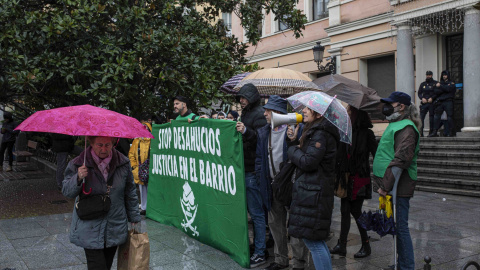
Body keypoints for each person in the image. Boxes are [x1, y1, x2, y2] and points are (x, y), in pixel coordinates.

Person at [62, 136, 141, 270]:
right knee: (97, 266)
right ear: (91, 143)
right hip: (89, 224)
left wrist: (134, 216)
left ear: (113, 144)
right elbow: (67, 191)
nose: (104, 149)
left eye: (107, 145)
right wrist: (78, 178)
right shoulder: (78, 163)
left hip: (114, 223)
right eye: (99, 145)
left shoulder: (123, 162)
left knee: (106, 264)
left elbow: (130, 191)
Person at [256, 96, 308, 270]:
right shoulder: (263, 132)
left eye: (268, 111)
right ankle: (280, 259)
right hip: (272, 185)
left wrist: (294, 139)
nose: (264, 114)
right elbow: (259, 159)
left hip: (291, 187)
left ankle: (299, 263)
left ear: (278, 112)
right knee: (275, 225)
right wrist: (260, 178)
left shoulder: (298, 130)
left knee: (295, 226)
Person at [372, 92, 421, 270]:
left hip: (398, 186)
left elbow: (401, 159)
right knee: (397, 228)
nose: (386, 107)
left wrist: (385, 187)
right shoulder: (397, 124)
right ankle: (401, 264)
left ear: (401, 106)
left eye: (390, 104)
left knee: (401, 228)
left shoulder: (406, 128)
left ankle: (406, 266)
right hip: (393, 185)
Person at [287, 107, 339, 270]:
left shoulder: (321, 133)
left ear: (319, 113)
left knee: (313, 241)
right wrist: (295, 142)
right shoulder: (316, 130)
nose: (303, 110)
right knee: (316, 240)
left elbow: (308, 162)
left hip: (314, 193)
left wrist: (292, 149)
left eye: (308, 108)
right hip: (313, 192)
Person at [330, 107, 377, 258]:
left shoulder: (367, 134)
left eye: (349, 111)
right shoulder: (345, 132)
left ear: (357, 114)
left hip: (359, 178)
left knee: (356, 211)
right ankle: (341, 245)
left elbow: (376, 154)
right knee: (344, 211)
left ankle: (366, 244)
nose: (346, 113)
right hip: (346, 177)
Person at [235, 83, 268, 268]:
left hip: (252, 171)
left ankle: (260, 252)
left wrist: (246, 131)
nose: (241, 100)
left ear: (252, 97)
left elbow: (261, 139)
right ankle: (259, 247)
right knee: (253, 213)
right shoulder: (246, 113)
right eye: (240, 98)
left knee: (257, 214)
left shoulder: (259, 114)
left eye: (244, 97)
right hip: (245, 169)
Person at [128, 115, 152, 215]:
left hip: (151, 169)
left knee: (151, 189)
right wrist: (134, 166)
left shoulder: (153, 140)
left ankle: (150, 207)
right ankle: (144, 207)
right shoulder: (136, 140)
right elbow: (131, 154)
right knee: (142, 189)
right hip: (139, 169)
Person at [428, 70, 456, 137]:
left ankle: (452, 131)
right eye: (443, 75)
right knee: (436, 117)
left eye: (445, 75)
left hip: (448, 101)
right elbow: (436, 91)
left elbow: (449, 89)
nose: (444, 76)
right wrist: (443, 88)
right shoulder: (440, 83)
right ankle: (434, 131)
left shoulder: (451, 83)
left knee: (450, 117)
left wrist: (441, 87)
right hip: (440, 102)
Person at [418, 71, 437, 137]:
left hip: (431, 103)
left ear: (431, 75)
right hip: (424, 103)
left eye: (429, 75)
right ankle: (420, 132)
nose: (428, 76)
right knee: (421, 118)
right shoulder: (423, 84)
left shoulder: (435, 83)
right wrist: (422, 98)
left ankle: (431, 132)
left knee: (431, 118)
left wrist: (432, 98)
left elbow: (437, 92)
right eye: (427, 75)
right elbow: (419, 93)